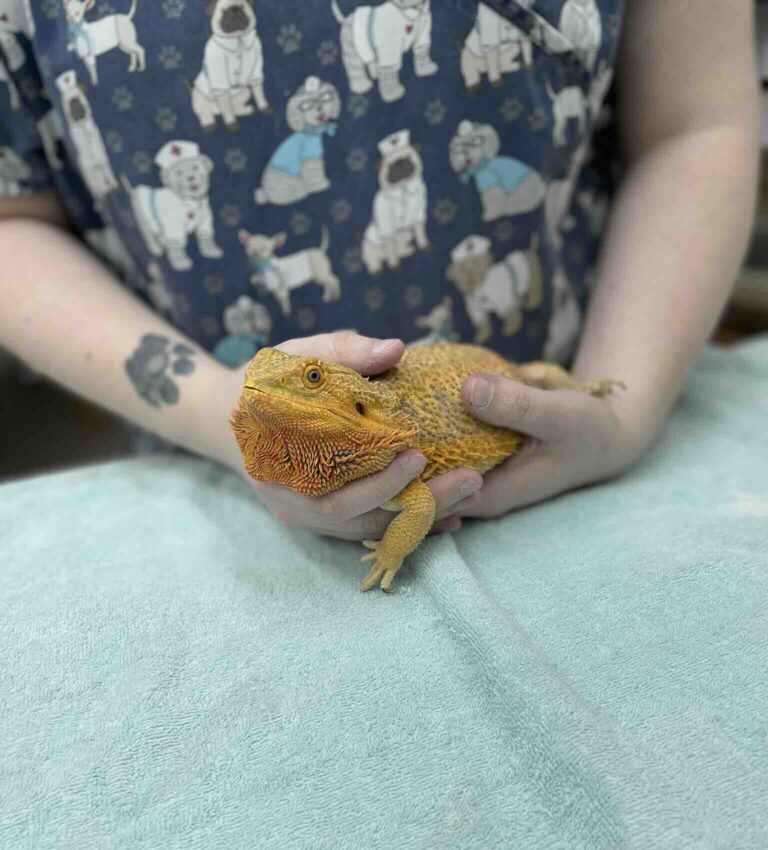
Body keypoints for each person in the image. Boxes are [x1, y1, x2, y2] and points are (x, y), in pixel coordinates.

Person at [0, 1, 759, 542]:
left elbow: (697, 122)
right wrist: (223, 416)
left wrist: (621, 408)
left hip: (582, 418)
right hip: (204, 466)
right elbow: (13, 219)